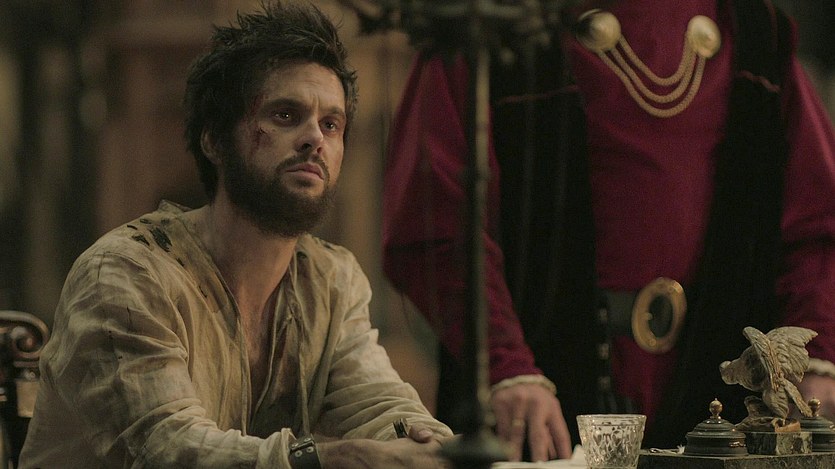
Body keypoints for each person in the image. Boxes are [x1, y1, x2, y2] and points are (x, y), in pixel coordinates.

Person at [382, 0, 835, 461]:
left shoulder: (756, 32)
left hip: (723, 409)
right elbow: (435, 222)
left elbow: (817, 226)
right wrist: (505, 366)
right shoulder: (489, 21)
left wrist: (815, 356)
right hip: (534, 407)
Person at [18, 3, 453, 468]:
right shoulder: (124, 275)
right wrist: (331, 458)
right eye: (285, 115)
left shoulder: (331, 278)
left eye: (331, 124)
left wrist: (428, 445)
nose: (315, 139)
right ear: (214, 140)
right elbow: (168, 450)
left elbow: (379, 402)